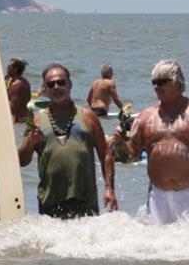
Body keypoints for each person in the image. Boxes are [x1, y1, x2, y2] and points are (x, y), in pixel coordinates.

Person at [117, 59, 189, 224]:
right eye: (154, 82)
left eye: (162, 81)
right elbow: (130, 156)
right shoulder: (145, 117)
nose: (157, 87)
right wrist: (120, 142)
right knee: (158, 244)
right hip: (157, 194)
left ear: (178, 84)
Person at [18, 63, 117, 218]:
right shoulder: (36, 122)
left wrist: (109, 188)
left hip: (85, 198)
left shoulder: (88, 116)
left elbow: (105, 154)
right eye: (51, 84)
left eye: (61, 82)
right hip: (50, 201)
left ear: (69, 85)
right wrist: (29, 143)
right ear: (45, 89)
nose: (57, 87)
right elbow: (22, 161)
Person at [5, 58, 31, 123]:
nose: (7, 68)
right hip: (24, 118)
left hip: (18, 120)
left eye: (9, 67)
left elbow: (14, 107)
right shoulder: (22, 80)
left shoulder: (16, 84)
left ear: (15, 69)